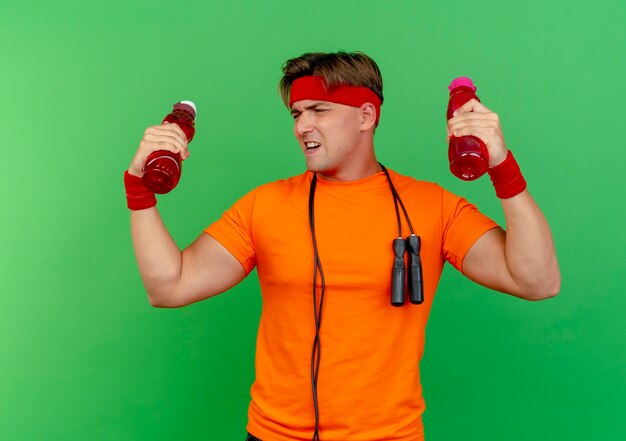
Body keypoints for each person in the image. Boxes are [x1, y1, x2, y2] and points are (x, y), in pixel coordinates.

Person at [124, 51, 560, 441]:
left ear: (366, 116)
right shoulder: (265, 205)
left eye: (319, 110)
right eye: (296, 113)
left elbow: (537, 280)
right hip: (274, 435)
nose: (302, 126)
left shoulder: (433, 207)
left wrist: (502, 165)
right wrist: (139, 191)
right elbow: (169, 286)